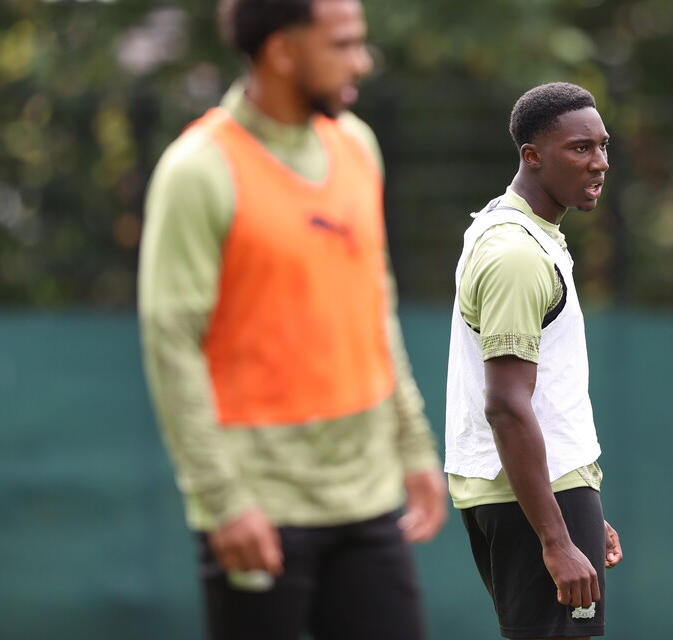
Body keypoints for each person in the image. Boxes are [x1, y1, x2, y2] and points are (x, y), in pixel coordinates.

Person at [137, 1, 447, 638]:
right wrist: (223, 501)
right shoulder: (198, 170)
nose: (361, 61)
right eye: (342, 44)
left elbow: (374, 307)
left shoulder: (358, 144)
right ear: (281, 52)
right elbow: (172, 345)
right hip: (259, 508)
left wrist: (412, 446)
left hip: (367, 499)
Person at [444, 82, 624, 640]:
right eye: (579, 149)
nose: (599, 163)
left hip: (550, 490)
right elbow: (506, 404)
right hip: (530, 497)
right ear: (532, 155)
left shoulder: (520, 230)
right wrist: (556, 537)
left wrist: (580, 512)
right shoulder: (517, 254)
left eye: (602, 145)